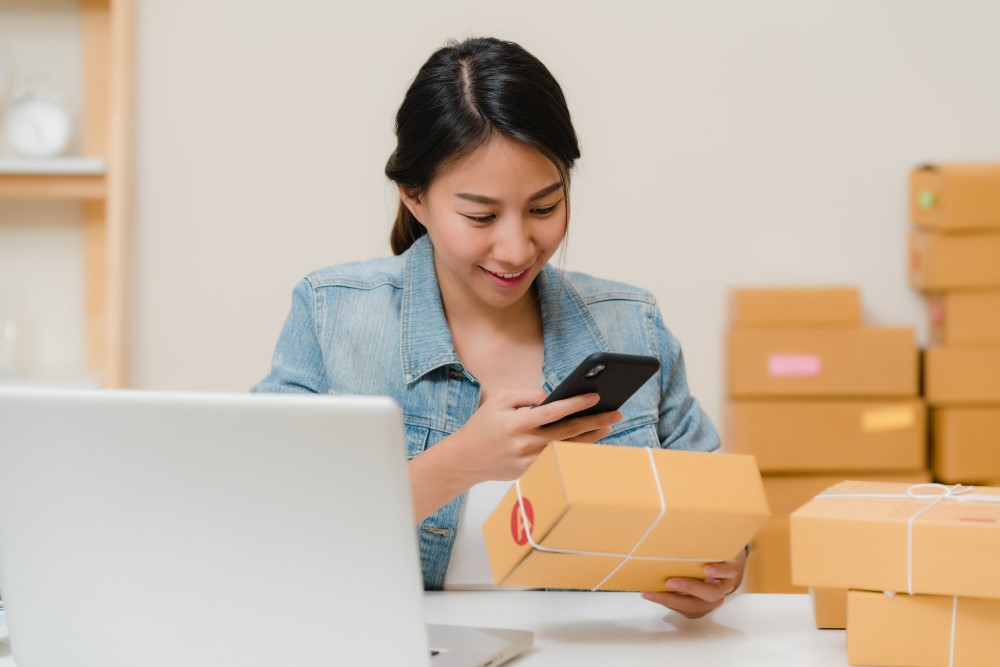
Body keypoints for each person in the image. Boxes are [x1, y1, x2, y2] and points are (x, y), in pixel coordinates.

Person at [253, 36, 744, 619]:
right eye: (480, 216)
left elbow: (721, 515)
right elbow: (265, 529)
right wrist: (461, 461)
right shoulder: (332, 315)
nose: (516, 248)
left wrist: (722, 569)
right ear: (415, 197)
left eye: (544, 208)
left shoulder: (629, 322)